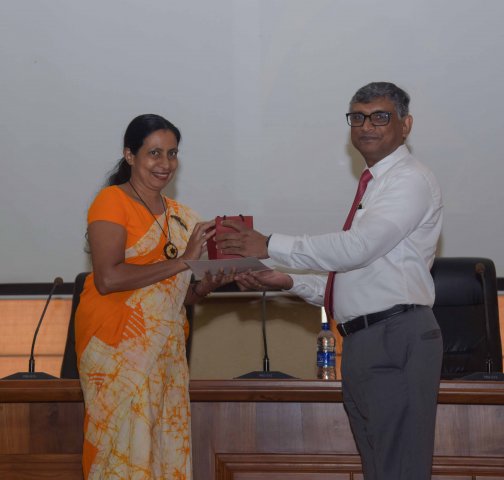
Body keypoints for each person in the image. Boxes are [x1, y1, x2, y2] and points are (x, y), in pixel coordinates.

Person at [216, 82, 443, 480]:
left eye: (380, 117)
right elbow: (357, 282)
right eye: (357, 117)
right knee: (380, 469)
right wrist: (288, 281)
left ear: (406, 125)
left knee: (399, 469)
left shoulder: (409, 179)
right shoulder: (375, 184)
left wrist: (269, 243)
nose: (366, 126)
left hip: (394, 336)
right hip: (365, 340)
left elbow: (358, 248)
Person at [74, 114, 232, 479]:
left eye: (172, 153)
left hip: (166, 352)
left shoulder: (183, 217)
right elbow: (109, 278)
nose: (165, 163)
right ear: (130, 155)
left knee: (163, 452)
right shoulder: (111, 201)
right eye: (154, 153)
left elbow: (178, 296)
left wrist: (205, 285)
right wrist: (185, 261)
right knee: (123, 455)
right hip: (117, 350)